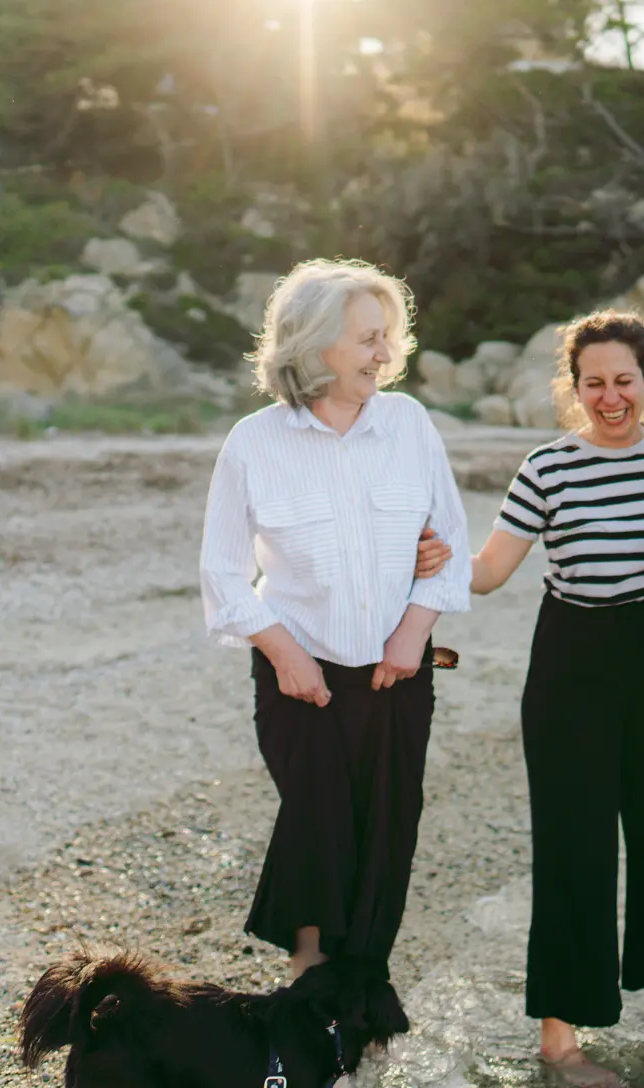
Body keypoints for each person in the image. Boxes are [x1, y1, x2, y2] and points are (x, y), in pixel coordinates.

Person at [469, 311, 644, 1088]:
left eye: (624, 381)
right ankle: (559, 1041)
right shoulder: (546, 466)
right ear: (573, 388)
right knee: (573, 849)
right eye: (594, 383)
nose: (610, 397)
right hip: (571, 665)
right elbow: (487, 573)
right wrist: (419, 554)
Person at [197, 259, 472, 978]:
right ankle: (308, 992)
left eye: (387, 337)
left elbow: (451, 547)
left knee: (386, 839)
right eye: (367, 339)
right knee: (317, 834)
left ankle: (362, 998)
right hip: (299, 678)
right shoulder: (253, 444)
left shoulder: (409, 425)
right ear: (315, 344)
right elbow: (223, 574)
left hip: (398, 674)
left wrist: (411, 635)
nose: (386, 354)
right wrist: (283, 652)